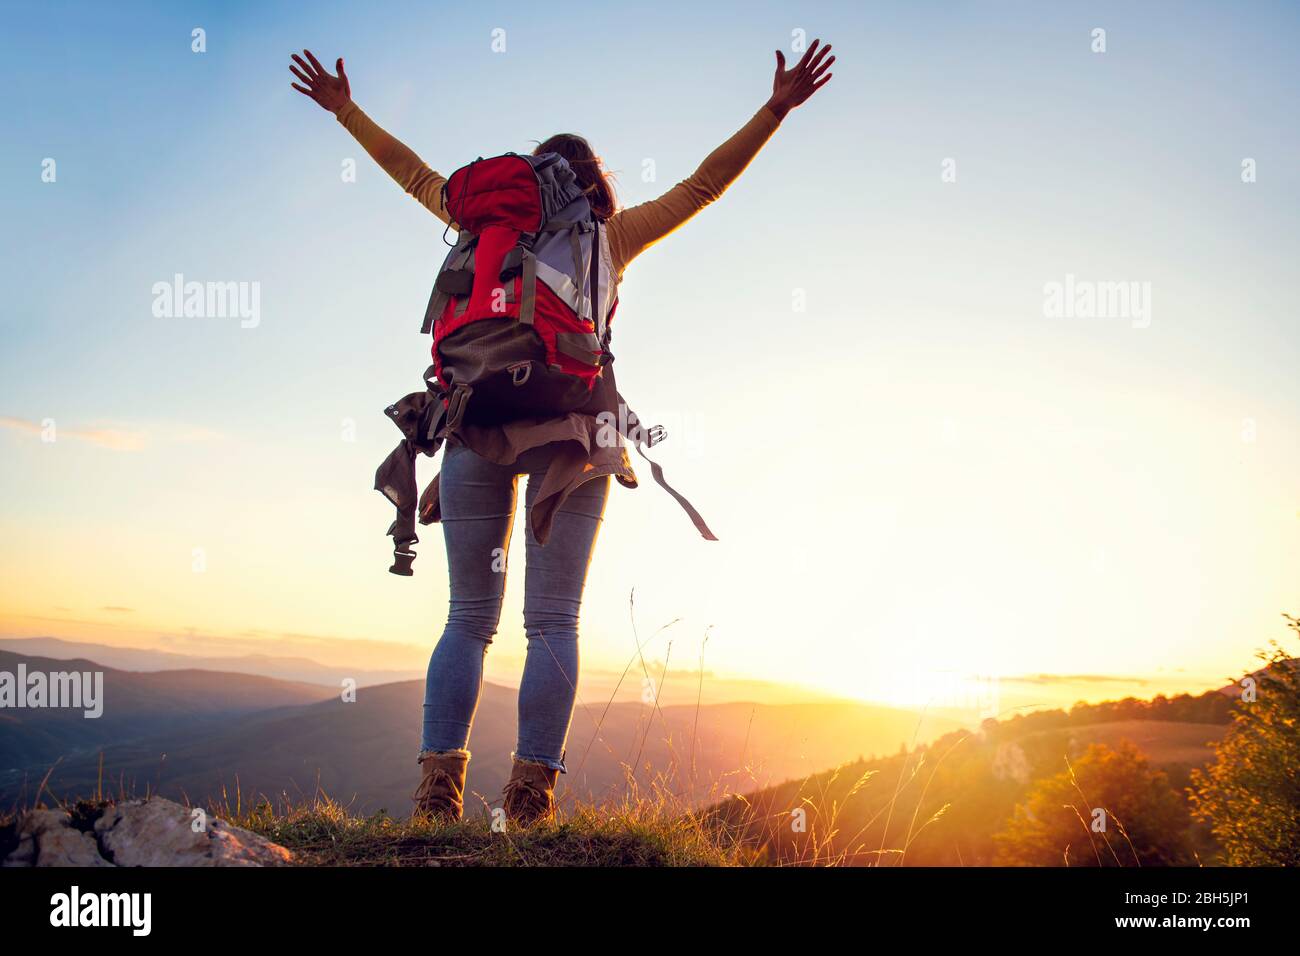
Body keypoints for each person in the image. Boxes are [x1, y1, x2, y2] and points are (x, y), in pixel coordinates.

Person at [289, 41, 834, 824]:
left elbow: (409, 172)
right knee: (552, 623)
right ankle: (530, 802)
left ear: (526, 181)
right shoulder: (610, 237)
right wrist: (776, 109)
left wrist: (344, 110)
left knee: (467, 619)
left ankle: (437, 793)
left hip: (476, 419)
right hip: (572, 437)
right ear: (593, 190)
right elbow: (704, 186)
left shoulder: (484, 221)